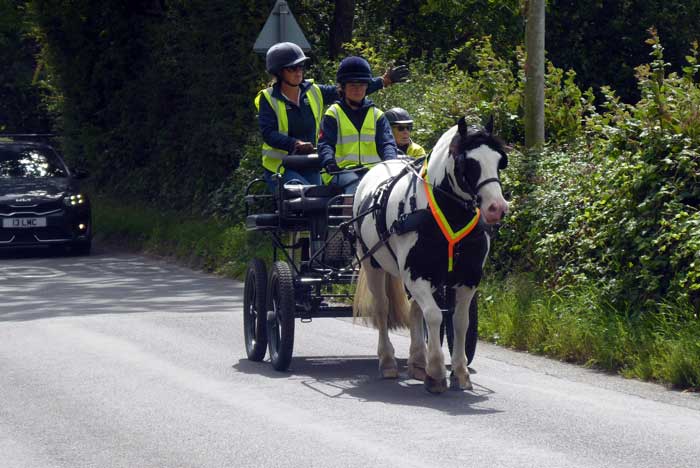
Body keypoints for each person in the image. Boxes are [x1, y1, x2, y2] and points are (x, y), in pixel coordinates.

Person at [255, 42, 408, 189]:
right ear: (279, 72)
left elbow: (351, 91)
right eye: (292, 68)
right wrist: (294, 144)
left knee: (320, 204)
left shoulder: (313, 91)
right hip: (281, 167)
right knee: (301, 197)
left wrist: (383, 81)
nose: (298, 71)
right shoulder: (268, 98)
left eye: (301, 66)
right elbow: (268, 134)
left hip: (310, 164)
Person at [318, 56, 399, 194]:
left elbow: (387, 144)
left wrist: (391, 162)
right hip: (340, 172)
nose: (357, 90)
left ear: (367, 86)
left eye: (362, 85)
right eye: (352, 85)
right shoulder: (333, 114)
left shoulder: (377, 115)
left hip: (373, 171)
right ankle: (349, 216)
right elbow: (325, 144)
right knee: (355, 185)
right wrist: (329, 162)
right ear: (342, 87)